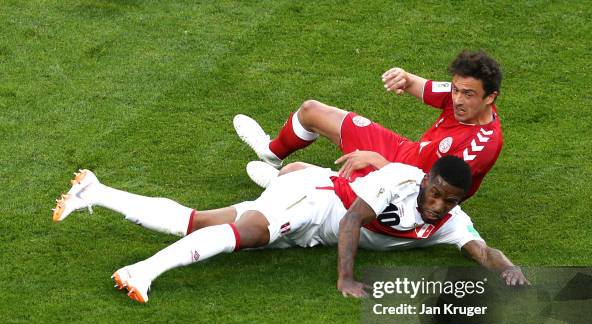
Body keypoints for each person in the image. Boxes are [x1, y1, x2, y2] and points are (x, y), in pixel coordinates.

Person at [51, 156, 528, 303]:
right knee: (251, 234)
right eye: (436, 192)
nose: (437, 204)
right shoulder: (401, 179)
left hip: (309, 224)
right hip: (316, 199)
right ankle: (143, 272)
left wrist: (507, 270)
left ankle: (95, 192)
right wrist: (345, 278)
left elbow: (482, 249)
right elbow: (352, 219)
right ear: (425, 180)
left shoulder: (451, 220)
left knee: (196, 221)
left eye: (449, 200)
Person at [235, 50, 503, 199]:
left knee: (297, 173)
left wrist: (377, 163)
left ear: (490, 98)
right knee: (311, 111)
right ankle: (271, 154)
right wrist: (404, 77)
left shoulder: (481, 145)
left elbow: (432, 191)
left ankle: (279, 184)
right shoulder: (462, 96)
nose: (456, 99)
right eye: (455, 90)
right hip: (401, 153)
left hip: (403, 194)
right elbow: (417, 85)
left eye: (467, 94)